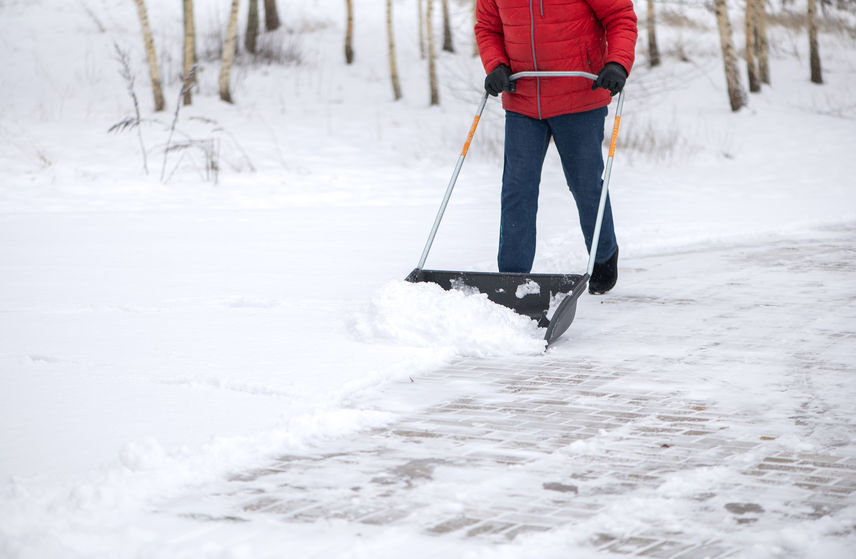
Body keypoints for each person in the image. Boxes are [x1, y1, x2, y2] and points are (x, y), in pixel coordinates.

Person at [474, 0, 637, 294]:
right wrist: (496, 64)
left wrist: (617, 63)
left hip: (579, 95)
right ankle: (511, 276)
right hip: (523, 98)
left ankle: (603, 255)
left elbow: (620, 17)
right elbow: (488, 27)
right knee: (517, 187)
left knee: (585, 184)